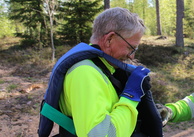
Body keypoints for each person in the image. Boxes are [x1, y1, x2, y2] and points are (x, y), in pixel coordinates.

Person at [38, 7, 163, 137]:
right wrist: (130, 97)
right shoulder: (85, 73)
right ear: (109, 39)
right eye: (131, 48)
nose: (132, 56)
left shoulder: (104, 68)